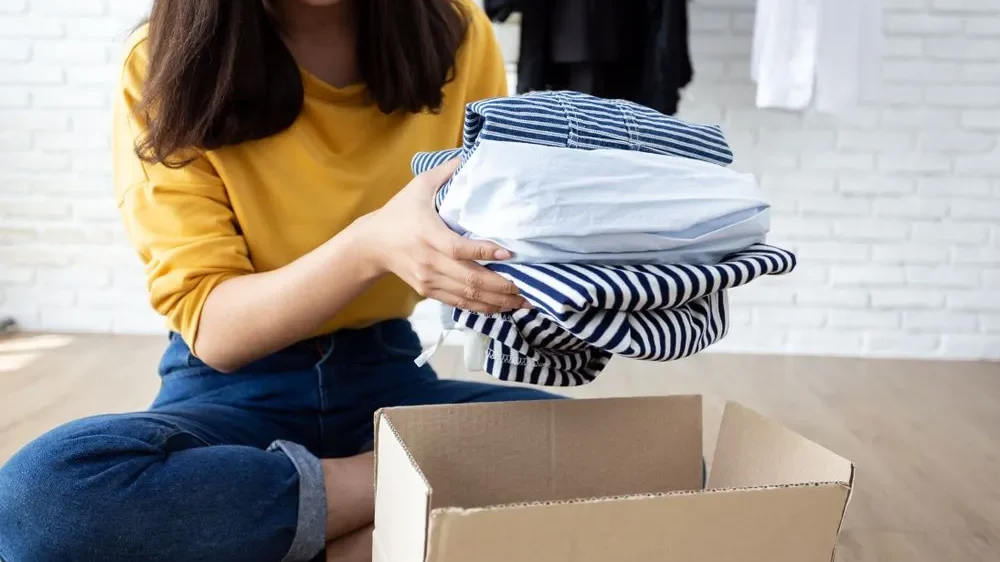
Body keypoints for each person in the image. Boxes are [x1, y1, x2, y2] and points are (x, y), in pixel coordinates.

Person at [0, 1, 560, 561]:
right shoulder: (162, 62)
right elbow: (216, 329)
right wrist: (370, 246)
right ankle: (384, 507)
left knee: (596, 448)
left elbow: (492, 228)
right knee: (43, 499)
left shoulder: (457, 30)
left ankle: (298, 531)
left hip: (388, 376)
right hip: (232, 391)